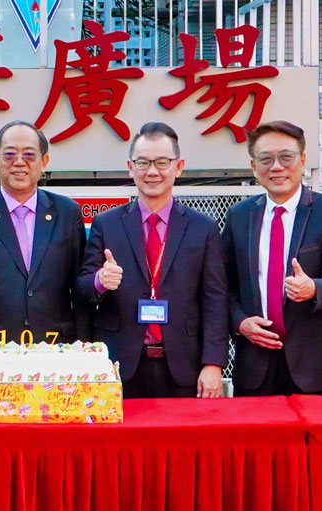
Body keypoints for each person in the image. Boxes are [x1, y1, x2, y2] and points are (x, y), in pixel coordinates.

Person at [78, 123, 230, 398]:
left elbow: (215, 300)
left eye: (162, 162)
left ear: (178, 167)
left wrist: (213, 364)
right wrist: (100, 281)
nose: (152, 171)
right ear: (130, 167)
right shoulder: (107, 224)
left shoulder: (203, 228)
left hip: (185, 365)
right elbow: (81, 288)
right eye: (143, 162)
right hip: (118, 364)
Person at [222, 120, 322, 396]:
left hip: (312, 363)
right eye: (266, 159)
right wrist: (240, 323)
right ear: (253, 166)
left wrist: (314, 288)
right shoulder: (239, 216)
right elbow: (224, 286)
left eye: (286, 157)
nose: (277, 167)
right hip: (254, 361)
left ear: (303, 160)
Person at [0, 121, 87, 343]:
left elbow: (80, 283)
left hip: (55, 345)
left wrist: (85, 343)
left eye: (29, 155)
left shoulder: (67, 213)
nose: (19, 162)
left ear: (44, 162)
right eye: (9, 154)